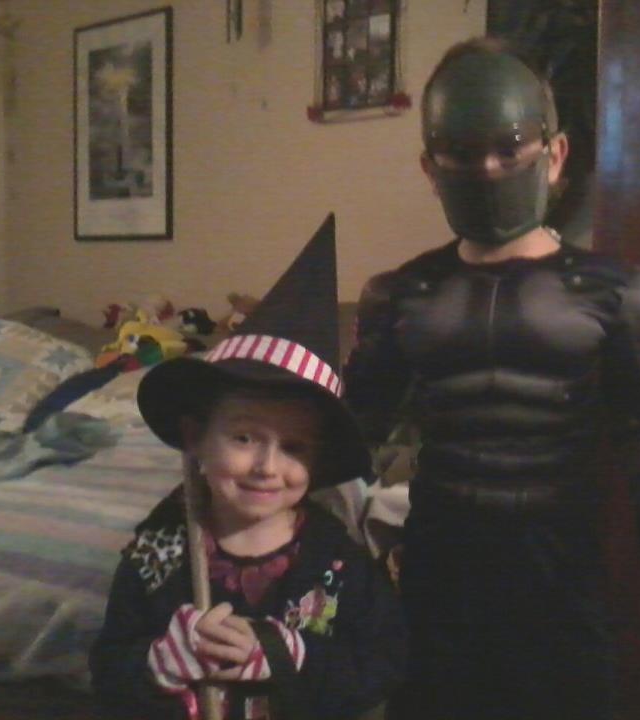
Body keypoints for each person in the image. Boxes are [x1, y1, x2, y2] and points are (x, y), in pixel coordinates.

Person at [342, 38, 640, 719]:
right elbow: (350, 435)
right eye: (462, 152)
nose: (488, 169)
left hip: (560, 572)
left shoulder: (624, 294)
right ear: (430, 167)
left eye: (510, 146)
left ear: (555, 155)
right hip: (440, 571)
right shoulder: (401, 295)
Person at [90, 216, 406, 720]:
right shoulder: (157, 553)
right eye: (244, 437)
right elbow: (109, 669)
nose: (266, 467)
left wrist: (286, 656)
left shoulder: (338, 561)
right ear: (195, 437)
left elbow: (380, 667)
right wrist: (156, 665)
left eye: (294, 447)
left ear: (317, 460)